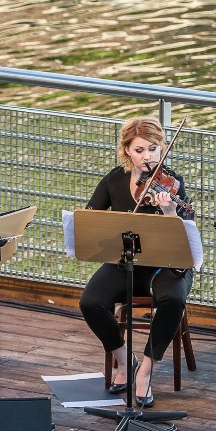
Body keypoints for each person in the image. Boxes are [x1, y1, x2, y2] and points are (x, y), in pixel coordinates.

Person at [79, 116, 194, 408]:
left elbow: (187, 235)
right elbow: (92, 218)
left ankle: (146, 370)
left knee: (173, 301)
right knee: (90, 301)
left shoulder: (172, 184)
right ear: (127, 150)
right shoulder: (114, 180)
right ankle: (124, 359)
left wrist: (170, 212)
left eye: (153, 149)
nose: (148, 157)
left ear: (161, 149)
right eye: (140, 150)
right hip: (126, 262)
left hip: (166, 266)